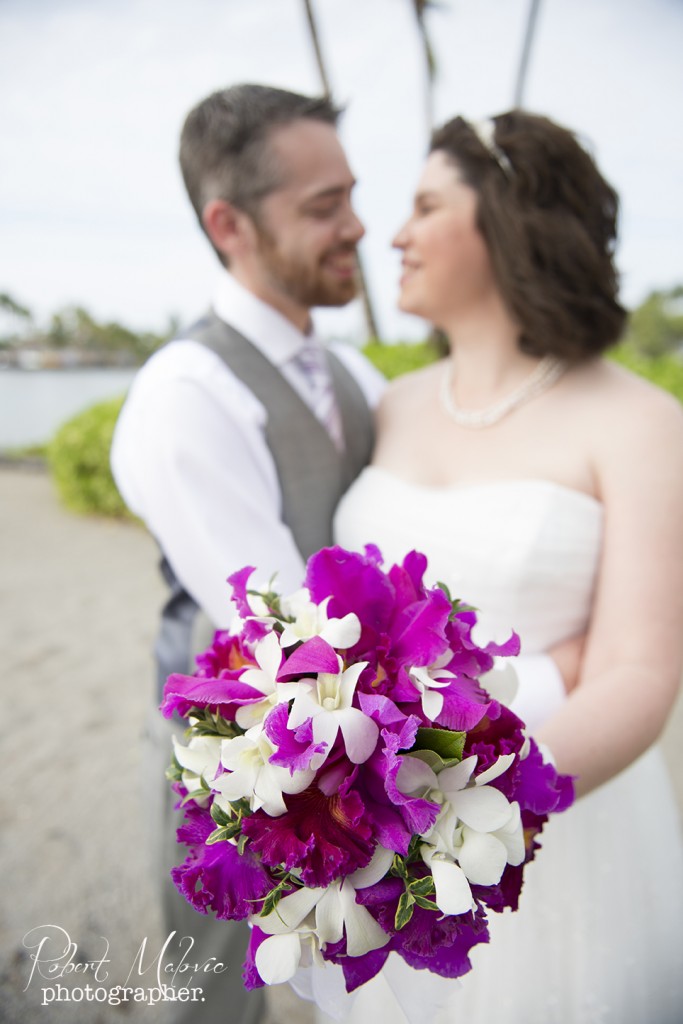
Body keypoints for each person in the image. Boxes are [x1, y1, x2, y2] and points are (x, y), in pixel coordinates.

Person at [331, 111, 683, 1023]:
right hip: (368, 827)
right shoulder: (392, 403)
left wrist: (460, 816)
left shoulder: (640, 422)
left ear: (506, 221)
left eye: (422, 205)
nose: (393, 234)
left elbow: (642, 673)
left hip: (548, 821)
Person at [111, 83, 386, 1024]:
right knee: (212, 997)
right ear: (228, 223)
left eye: (351, 194)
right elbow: (270, 617)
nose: (357, 226)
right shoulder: (188, 390)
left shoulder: (351, 371)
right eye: (323, 207)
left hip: (352, 742)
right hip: (227, 760)